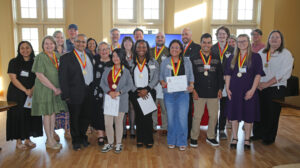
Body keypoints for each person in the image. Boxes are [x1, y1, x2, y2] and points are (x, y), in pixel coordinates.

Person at [252, 30, 294, 145]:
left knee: (272, 113)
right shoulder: (262, 52)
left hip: (276, 88)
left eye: (277, 37)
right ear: (268, 39)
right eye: (272, 37)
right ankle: (258, 133)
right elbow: (257, 68)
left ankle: (269, 137)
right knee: (259, 111)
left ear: (281, 40)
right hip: (260, 87)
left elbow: (283, 73)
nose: (274, 39)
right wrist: (258, 83)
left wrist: (267, 84)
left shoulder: (286, 54)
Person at [224, 34, 265, 150]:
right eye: (239, 41)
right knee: (234, 115)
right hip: (234, 91)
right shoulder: (232, 57)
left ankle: (247, 138)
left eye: (244, 41)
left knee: (249, 115)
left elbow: (258, 75)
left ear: (249, 42)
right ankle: (235, 137)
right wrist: (227, 89)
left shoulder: (256, 57)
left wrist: (252, 90)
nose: (242, 43)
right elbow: (228, 74)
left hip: (249, 91)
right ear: (236, 43)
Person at [59, 34, 94, 151]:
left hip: (89, 92)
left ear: (86, 44)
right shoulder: (66, 58)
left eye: (83, 42)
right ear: (74, 42)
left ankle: (83, 137)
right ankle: (76, 140)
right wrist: (66, 95)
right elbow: (62, 78)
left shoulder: (89, 55)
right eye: (78, 42)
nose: (81, 44)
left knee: (86, 117)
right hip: (74, 93)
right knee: (75, 118)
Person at [31, 36, 68, 150]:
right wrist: (54, 88)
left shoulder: (57, 56)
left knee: (52, 114)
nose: (49, 46)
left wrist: (59, 87)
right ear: (43, 45)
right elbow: (40, 75)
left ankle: (51, 138)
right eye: (46, 44)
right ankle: (50, 140)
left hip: (55, 90)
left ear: (55, 45)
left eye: (51, 44)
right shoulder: (40, 57)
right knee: (47, 114)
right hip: (45, 89)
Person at [6, 41, 43, 150]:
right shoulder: (14, 62)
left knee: (30, 115)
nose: (25, 50)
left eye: (27, 47)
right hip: (17, 93)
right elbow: (13, 78)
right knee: (18, 116)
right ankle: (18, 140)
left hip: (32, 92)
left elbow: (39, 77)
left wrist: (32, 90)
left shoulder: (35, 61)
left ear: (31, 49)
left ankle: (27, 139)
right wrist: (25, 90)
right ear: (19, 50)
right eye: (22, 48)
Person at [160, 40, 194, 151]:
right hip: (169, 94)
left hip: (183, 94)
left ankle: (182, 141)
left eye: (177, 47)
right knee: (171, 118)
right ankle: (171, 140)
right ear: (169, 49)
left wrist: (191, 85)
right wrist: (163, 83)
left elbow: (191, 77)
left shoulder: (186, 61)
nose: (174, 49)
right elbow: (161, 77)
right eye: (172, 47)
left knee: (182, 118)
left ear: (180, 50)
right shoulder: (165, 62)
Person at [190, 33, 223, 147]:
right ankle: (194, 137)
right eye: (204, 42)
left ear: (211, 44)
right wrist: (193, 91)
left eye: (209, 42)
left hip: (214, 92)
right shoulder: (193, 57)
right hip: (198, 92)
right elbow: (190, 76)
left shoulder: (216, 56)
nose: (206, 45)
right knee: (197, 116)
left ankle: (211, 137)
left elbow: (220, 74)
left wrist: (220, 88)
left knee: (214, 116)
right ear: (200, 43)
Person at [100, 48, 133, 153]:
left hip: (121, 100)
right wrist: (109, 92)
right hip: (109, 100)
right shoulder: (107, 69)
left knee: (119, 123)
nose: (115, 58)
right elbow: (102, 84)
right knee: (108, 123)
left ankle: (118, 143)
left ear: (122, 57)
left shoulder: (126, 71)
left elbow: (130, 85)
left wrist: (119, 92)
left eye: (117, 56)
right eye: (113, 56)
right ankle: (110, 143)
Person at [130, 40, 159, 148]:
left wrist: (147, 89)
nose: (141, 49)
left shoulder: (153, 62)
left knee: (147, 117)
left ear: (147, 48)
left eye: (144, 47)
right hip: (135, 93)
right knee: (139, 117)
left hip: (149, 92)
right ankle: (140, 138)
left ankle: (149, 139)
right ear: (135, 48)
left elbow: (156, 77)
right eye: (139, 47)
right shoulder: (131, 62)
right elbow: (128, 79)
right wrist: (137, 90)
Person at [211, 26, 235, 140]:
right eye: (219, 34)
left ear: (227, 36)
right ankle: (214, 128)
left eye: (224, 34)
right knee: (214, 107)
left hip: (227, 82)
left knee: (224, 107)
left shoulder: (232, 49)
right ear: (216, 36)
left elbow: (234, 65)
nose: (221, 36)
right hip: (214, 82)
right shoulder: (212, 48)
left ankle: (221, 129)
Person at [90, 42, 112, 146]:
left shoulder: (114, 61)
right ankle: (100, 135)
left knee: (108, 112)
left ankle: (108, 132)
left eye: (106, 49)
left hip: (110, 92)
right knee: (98, 113)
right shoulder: (94, 61)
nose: (104, 51)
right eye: (101, 49)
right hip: (97, 92)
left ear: (109, 50)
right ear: (98, 51)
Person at [181, 27, 200, 139]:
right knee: (181, 110)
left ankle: (187, 133)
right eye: (183, 34)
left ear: (191, 35)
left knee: (188, 110)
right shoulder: (178, 47)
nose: (184, 36)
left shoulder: (197, 48)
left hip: (190, 84)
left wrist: (194, 86)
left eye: (186, 34)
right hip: (178, 84)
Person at [52, 30, 71, 140]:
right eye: (57, 37)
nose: (59, 39)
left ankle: (67, 130)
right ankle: (53, 132)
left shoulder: (66, 53)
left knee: (65, 107)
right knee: (53, 109)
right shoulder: (50, 52)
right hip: (53, 84)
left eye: (61, 37)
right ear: (53, 39)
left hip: (64, 84)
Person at [150, 32, 169, 135]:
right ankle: (153, 126)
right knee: (153, 107)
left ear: (164, 39)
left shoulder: (169, 51)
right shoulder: (150, 51)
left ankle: (165, 127)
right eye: (158, 37)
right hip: (152, 83)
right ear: (155, 39)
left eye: (162, 37)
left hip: (164, 83)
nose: (160, 39)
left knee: (164, 107)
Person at [121, 36, 136, 139]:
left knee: (132, 107)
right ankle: (123, 129)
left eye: (129, 42)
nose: (127, 44)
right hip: (123, 85)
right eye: (125, 42)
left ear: (132, 44)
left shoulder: (135, 56)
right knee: (123, 107)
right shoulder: (120, 55)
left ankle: (132, 128)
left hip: (134, 85)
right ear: (123, 44)